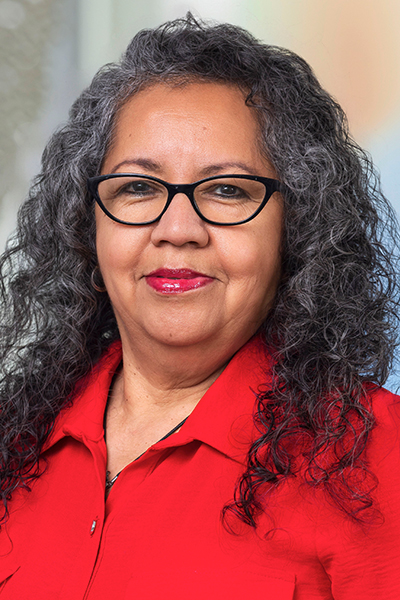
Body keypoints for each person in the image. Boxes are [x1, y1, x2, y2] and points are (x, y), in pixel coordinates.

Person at [0, 14, 399, 600]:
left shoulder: (379, 459)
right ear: (85, 226)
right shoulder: (14, 441)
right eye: (137, 188)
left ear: (298, 228)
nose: (177, 229)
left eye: (227, 190)